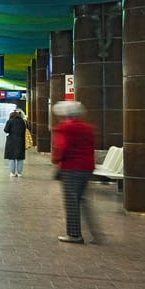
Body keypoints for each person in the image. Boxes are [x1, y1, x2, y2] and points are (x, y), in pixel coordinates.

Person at [51, 100, 98, 243]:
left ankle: (74, 234)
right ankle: (96, 234)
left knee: (71, 201)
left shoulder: (64, 128)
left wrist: (56, 159)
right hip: (87, 167)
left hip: (71, 168)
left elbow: (61, 147)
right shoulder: (89, 128)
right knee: (82, 199)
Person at [2, 107, 28, 177]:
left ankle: (12, 173)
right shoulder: (22, 121)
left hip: (11, 141)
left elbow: (6, 130)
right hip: (21, 140)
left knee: (11, 157)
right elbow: (25, 129)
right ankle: (19, 173)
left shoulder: (10, 121)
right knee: (20, 157)